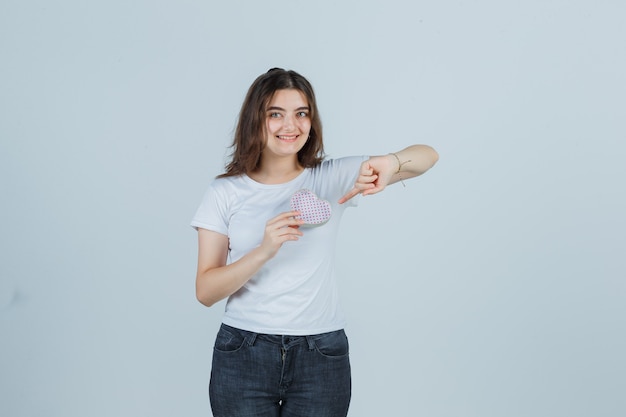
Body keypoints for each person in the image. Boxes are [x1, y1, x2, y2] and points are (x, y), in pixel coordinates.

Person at [191, 68, 438, 417]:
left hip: (320, 355)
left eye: (301, 113)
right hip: (244, 350)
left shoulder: (332, 178)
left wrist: (391, 162)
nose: (290, 126)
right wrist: (263, 251)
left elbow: (428, 156)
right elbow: (206, 291)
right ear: (254, 120)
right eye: (275, 114)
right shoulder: (225, 192)